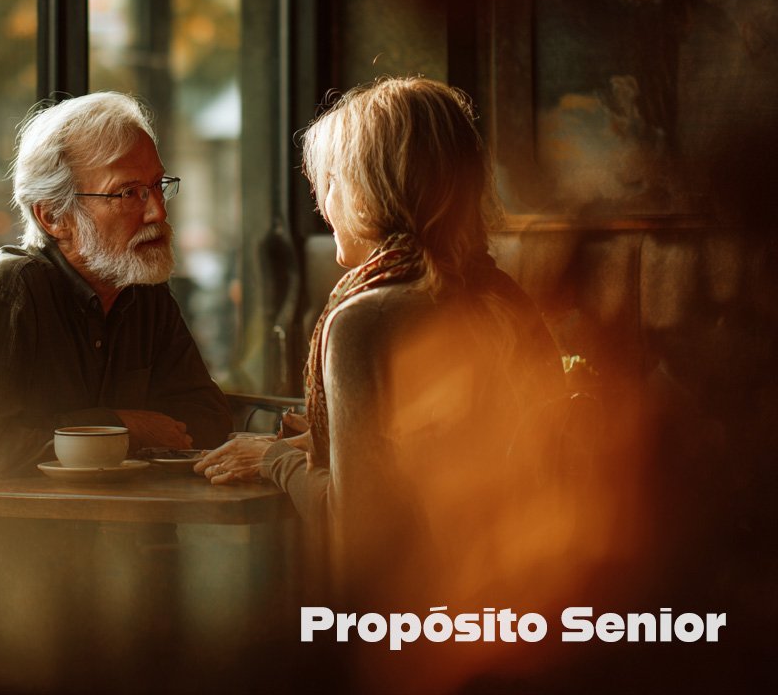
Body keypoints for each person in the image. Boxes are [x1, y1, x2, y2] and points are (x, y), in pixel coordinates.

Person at [196, 77, 564, 619]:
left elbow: (359, 536)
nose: (324, 203)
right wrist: (321, 444)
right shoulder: (503, 296)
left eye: (330, 181)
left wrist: (274, 459)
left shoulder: (366, 320)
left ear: (369, 191)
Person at [0, 91, 232, 482]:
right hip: (5, 539)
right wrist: (119, 426)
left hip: (128, 531)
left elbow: (207, 416)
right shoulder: (5, 295)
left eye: (158, 185)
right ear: (54, 216)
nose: (158, 210)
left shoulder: (143, 290)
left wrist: (109, 433)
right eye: (128, 193)